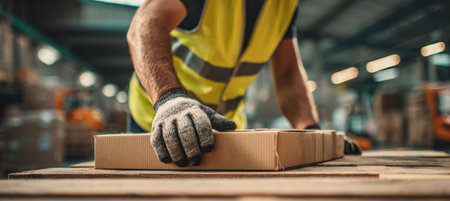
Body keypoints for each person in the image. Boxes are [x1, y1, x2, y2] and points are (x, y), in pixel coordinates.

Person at [126, 0, 359, 167]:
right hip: (159, 121)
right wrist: (170, 99)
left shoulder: (285, 5)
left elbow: (288, 74)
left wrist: (312, 133)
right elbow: (145, 23)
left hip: (223, 133)